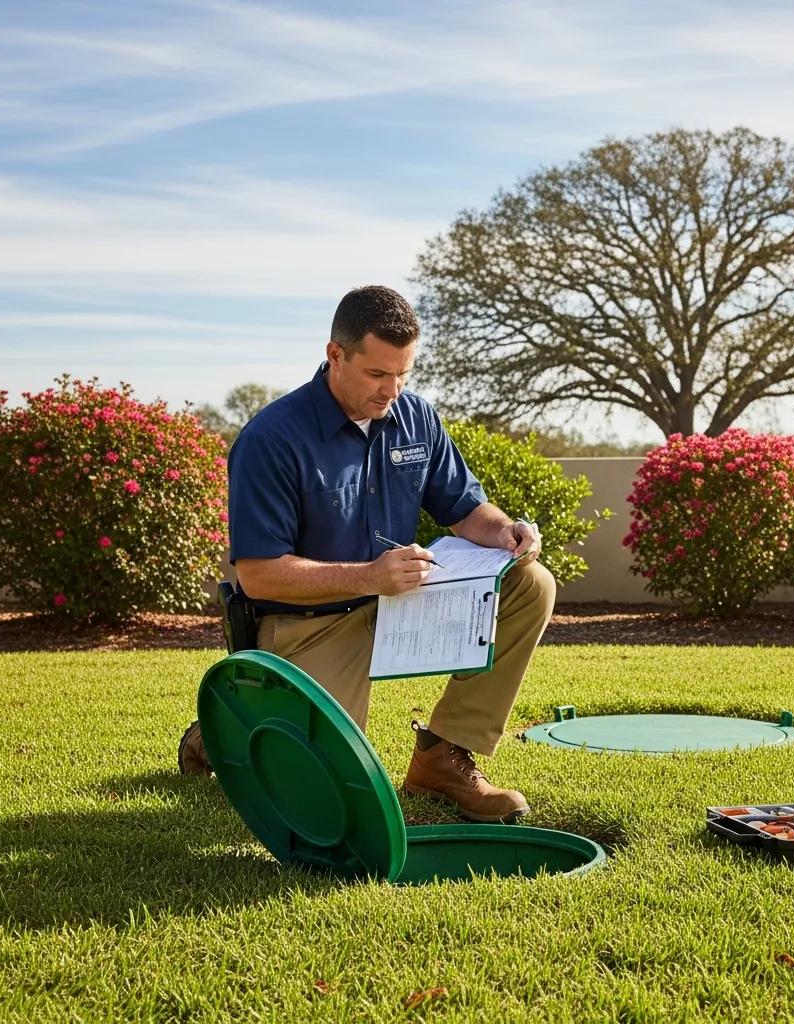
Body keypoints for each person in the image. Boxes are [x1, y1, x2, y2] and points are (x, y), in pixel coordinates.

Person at [226, 285, 555, 823]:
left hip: (400, 600)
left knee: (531, 582)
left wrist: (504, 532)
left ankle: (442, 759)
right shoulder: (271, 438)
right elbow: (260, 575)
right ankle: (224, 730)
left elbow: (467, 509)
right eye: (378, 375)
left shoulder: (415, 418)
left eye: (403, 374)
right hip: (309, 623)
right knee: (323, 796)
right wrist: (369, 576)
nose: (392, 391)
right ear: (336, 355)